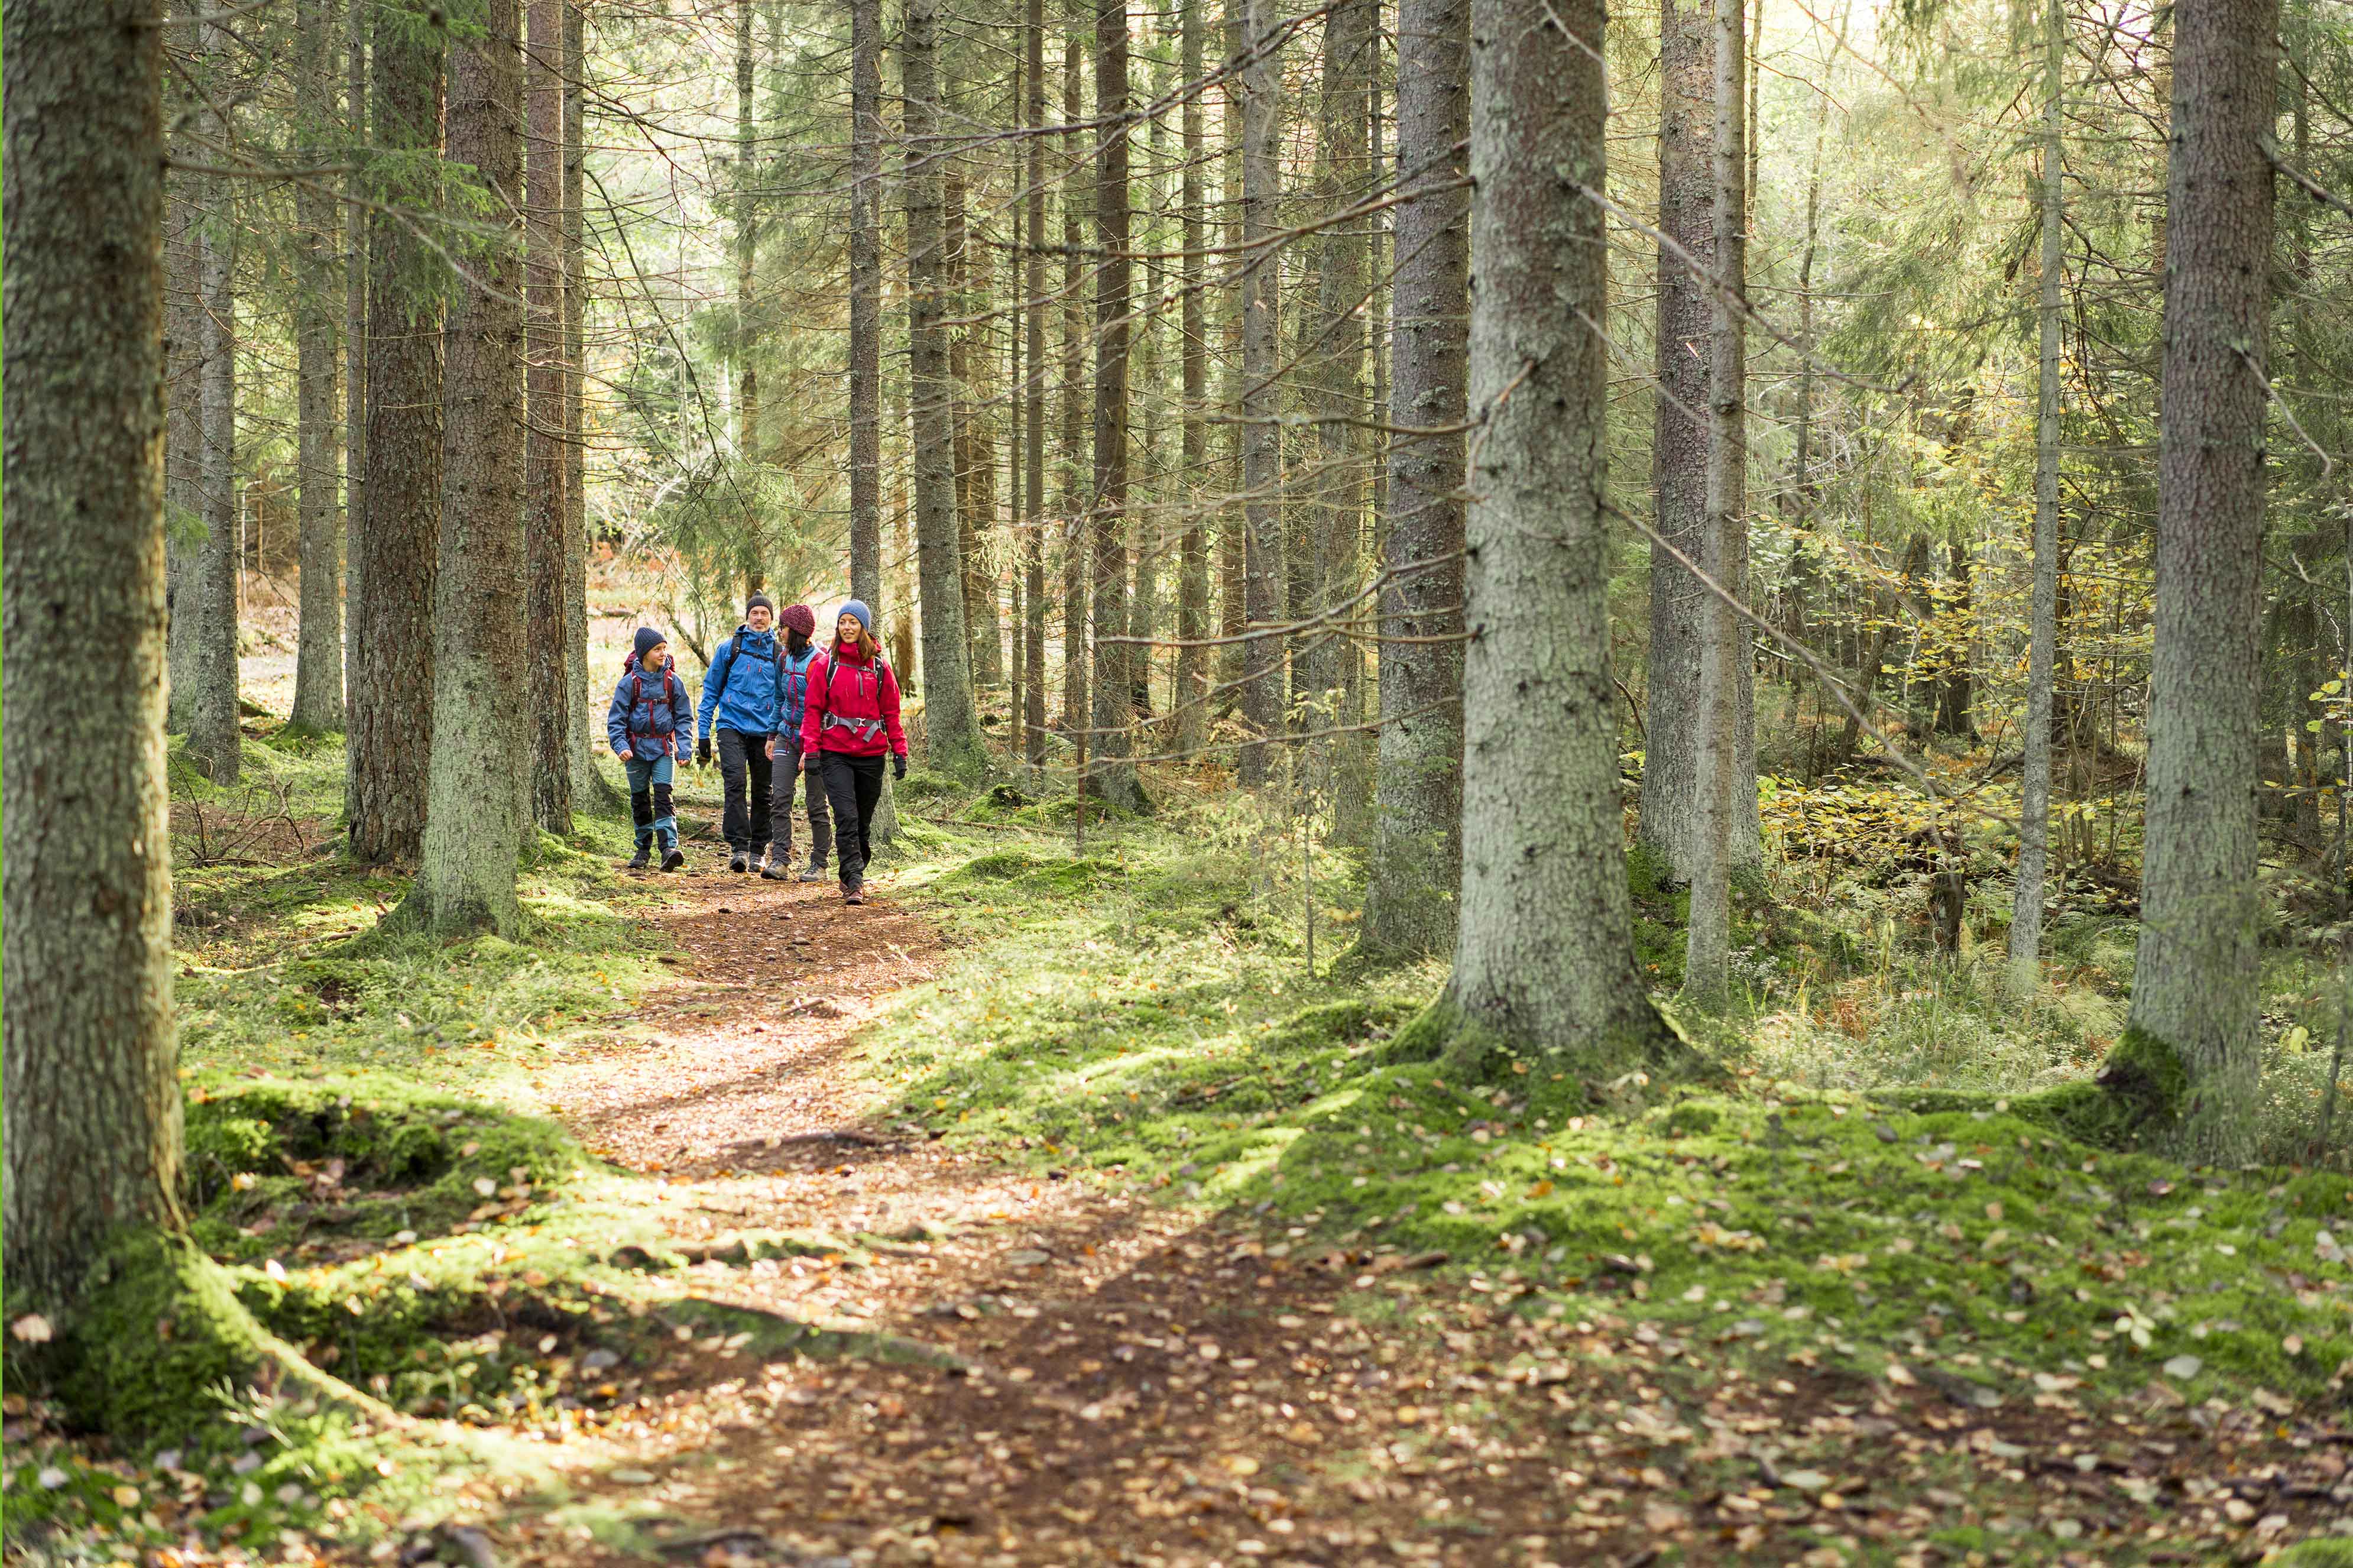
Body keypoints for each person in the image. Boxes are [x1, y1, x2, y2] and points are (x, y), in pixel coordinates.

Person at [799, 600, 907, 905]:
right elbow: (812, 711)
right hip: (836, 754)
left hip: (872, 755)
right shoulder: (826, 665)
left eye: (853, 623)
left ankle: (856, 865)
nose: (847, 628)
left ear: (863, 628)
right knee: (846, 817)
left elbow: (892, 713)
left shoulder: (879, 667)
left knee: (862, 822)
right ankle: (854, 881)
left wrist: (900, 752)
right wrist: (813, 751)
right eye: (843, 622)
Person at [697, 592, 786, 873]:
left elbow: (787, 695)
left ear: (771, 619)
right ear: (747, 617)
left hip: (766, 731)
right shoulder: (729, 649)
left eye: (764, 614)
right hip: (731, 726)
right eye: (754, 613)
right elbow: (711, 689)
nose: (759, 618)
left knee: (763, 791)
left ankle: (759, 849)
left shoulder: (779, 653)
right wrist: (703, 733)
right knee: (734, 784)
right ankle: (739, 848)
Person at [607, 627, 692, 871]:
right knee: (640, 800)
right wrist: (621, 746)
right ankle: (643, 849)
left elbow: (684, 717)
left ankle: (668, 848)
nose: (663, 653)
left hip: (664, 748)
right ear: (644, 653)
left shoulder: (672, 682)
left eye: (665, 649)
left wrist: (684, 748)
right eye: (657, 649)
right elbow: (616, 721)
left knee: (664, 796)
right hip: (635, 750)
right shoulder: (628, 684)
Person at [760, 603, 832, 882]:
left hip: (815, 740)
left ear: (797, 631)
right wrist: (771, 734)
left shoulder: (819, 663)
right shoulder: (783, 660)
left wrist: (812, 746)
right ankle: (780, 860)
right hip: (786, 736)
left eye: (783, 628)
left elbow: (825, 709)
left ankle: (820, 864)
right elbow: (779, 698)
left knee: (816, 803)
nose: (780, 632)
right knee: (779, 799)